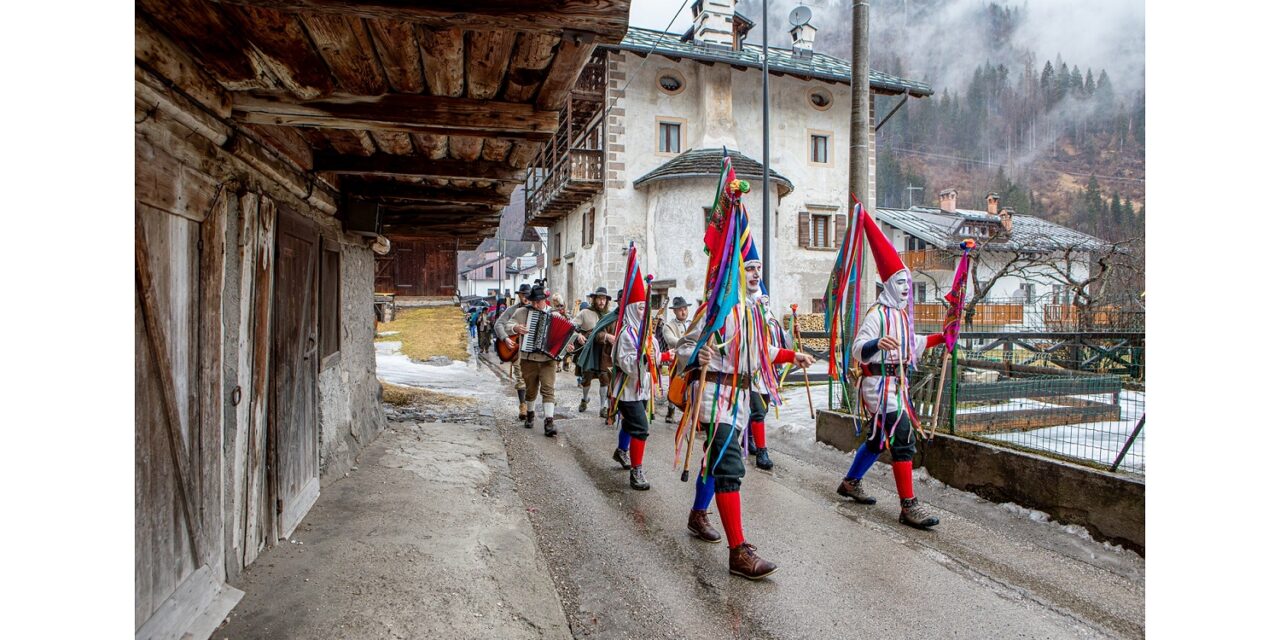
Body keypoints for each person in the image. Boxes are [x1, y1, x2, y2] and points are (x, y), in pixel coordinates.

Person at [676, 240, 815, 580]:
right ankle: (738, 551)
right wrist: (698, 355)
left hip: (738, 397)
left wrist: (788, 355)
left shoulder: (751, 309)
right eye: (749, 268)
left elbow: (758, 348)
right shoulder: (718, 306)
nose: (755, 274)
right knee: (730, 466)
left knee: (717, 461)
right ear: (736, 271)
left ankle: (697, 514)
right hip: (714, 395)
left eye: (758, 268)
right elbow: (686, 344)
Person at [834, 213, 946, 530]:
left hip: (896, 385)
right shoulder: (878, 315)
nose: (907, 289)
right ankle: (908, 506)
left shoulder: (902, 316)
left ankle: (851, 482)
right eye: (901, 284)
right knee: (901, 435)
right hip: (877, 385)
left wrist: (944, 337)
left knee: (877, 439)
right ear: (888, 286)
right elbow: (857, 348)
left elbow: (916, 342)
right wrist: (875, 345)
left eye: (909, 283)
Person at [606, 267, 669, 490]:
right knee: (641, 428)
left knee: (632, 424)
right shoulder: (626, 334)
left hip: (642, 388)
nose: (645, 311)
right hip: (627, 389)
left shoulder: (646, 332)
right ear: (632, 309)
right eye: (640, 307)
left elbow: (654, 354)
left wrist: (665, 356)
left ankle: (621, 450)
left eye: (646, 307)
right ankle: (636, 471)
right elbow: (627, 363)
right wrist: (645, 357)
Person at [500, 285, 577, 436]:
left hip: (548, 360)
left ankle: (549, 422)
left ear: (545, 300)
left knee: (548, 389)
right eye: (533, 301)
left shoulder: (556, 315)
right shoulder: (522, 312)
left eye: (538, 302)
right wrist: (516, 328)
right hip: (528, 359)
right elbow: (508, 325)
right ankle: (530, 414)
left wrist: (567, 347)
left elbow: (565, 338)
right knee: (531, 389)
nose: (535, 305)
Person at [744, 286, 793, 472]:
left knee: (762, 410)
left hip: (769, 372)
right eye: (760, 300)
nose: (764, 302)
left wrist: (791, 332)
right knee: (757, 410)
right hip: (754, 370)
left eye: (765, 300)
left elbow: (783, 342)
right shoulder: (749, 319)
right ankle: (762, 452)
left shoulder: (771, 321)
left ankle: (749, 438)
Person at [494, 284, 532, 422]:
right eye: (522, 294)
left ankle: (532, 405)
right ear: (519, 296)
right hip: (517, 348)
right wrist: (505, 338)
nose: (525, 297)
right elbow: (498, 324)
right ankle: (523, 406)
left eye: (527, 294)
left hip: (534, 350)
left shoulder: (537, 309)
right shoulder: (512, 310)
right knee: (520, 376)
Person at [573, 287, 614, 416]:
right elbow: (571, 326)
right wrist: (577, 334)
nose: (602, 301)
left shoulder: (611, 315)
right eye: (599, 298)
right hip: (589, 350)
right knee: (587, 378)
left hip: (604, 351)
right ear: (594, 299)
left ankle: (603, 407)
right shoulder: (585, 312)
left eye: (604, 299)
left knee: (605, 378)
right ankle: (584, 399)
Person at [660, 297, 693, 424]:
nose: (683, 312)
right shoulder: (668, 326)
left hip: (691, 359)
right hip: (676, 360)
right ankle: (671, 410)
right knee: (675, 384)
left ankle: (689, 413)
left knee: (692, 385)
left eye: (685, 309)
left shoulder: (693, 323)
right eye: (680, 310)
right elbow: (671, 340)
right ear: (674, 311)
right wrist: (689, 343)